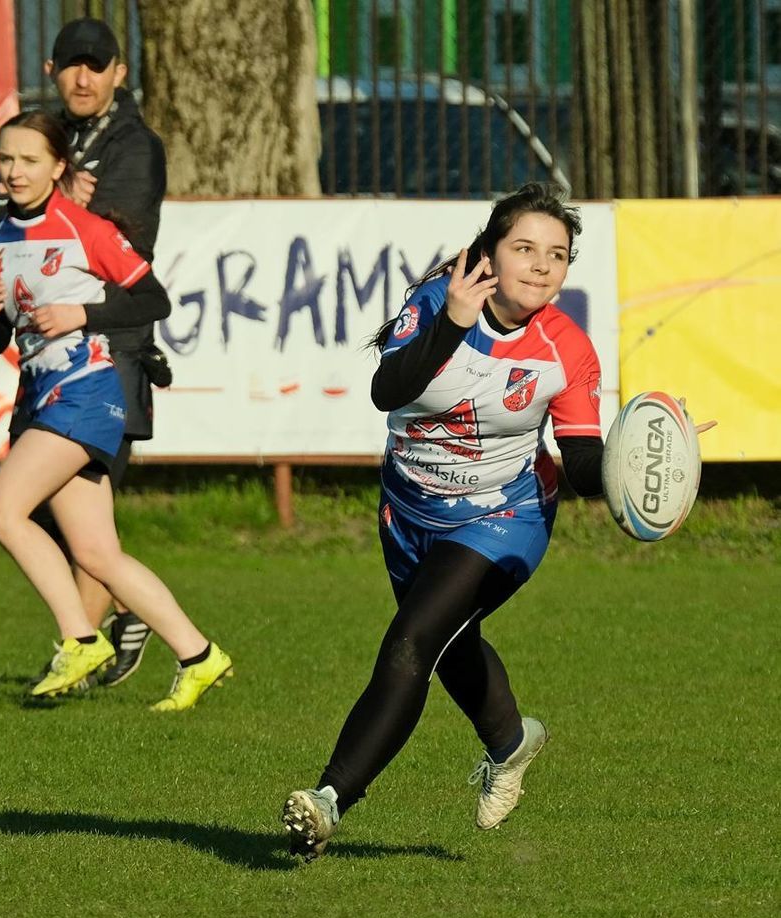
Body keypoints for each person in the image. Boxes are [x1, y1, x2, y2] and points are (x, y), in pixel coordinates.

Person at [281, 183, 714, 859]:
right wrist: (451, 321)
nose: (542, 266)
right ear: (489, 252)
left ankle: (330, 799)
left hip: (503, 515)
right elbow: (385, 392)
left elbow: (577, 463)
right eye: (525, 249)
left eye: (558, 255)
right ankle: (512, 743)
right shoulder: (437, 300)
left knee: (411, 641)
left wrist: (636, 465)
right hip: (408, 509)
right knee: (450, 647)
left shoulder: (567, 349)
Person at [0, 110, 231, 710]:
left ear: (59, 167)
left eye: (30, 160)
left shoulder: (82, 228)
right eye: (6, 159)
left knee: (4, 511)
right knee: (95, 553)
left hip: (86, 390)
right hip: (40, 392)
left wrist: (81, 314)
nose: (14, 171)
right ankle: (199, 655)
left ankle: (80, 638)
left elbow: (153, 299)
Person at [0, 17, 168, 689]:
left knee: (58, 523)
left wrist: (71, 201)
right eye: (71, 64)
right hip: (45, 365)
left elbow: (120, 234)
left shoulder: (135, 144)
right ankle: (137, 635)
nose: (83, 76)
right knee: (74, 525)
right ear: (52, 70)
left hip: (113, 354)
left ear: (119, 73)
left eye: (97, 64)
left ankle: (82, 652)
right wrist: (40, 184)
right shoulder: (41, 141)